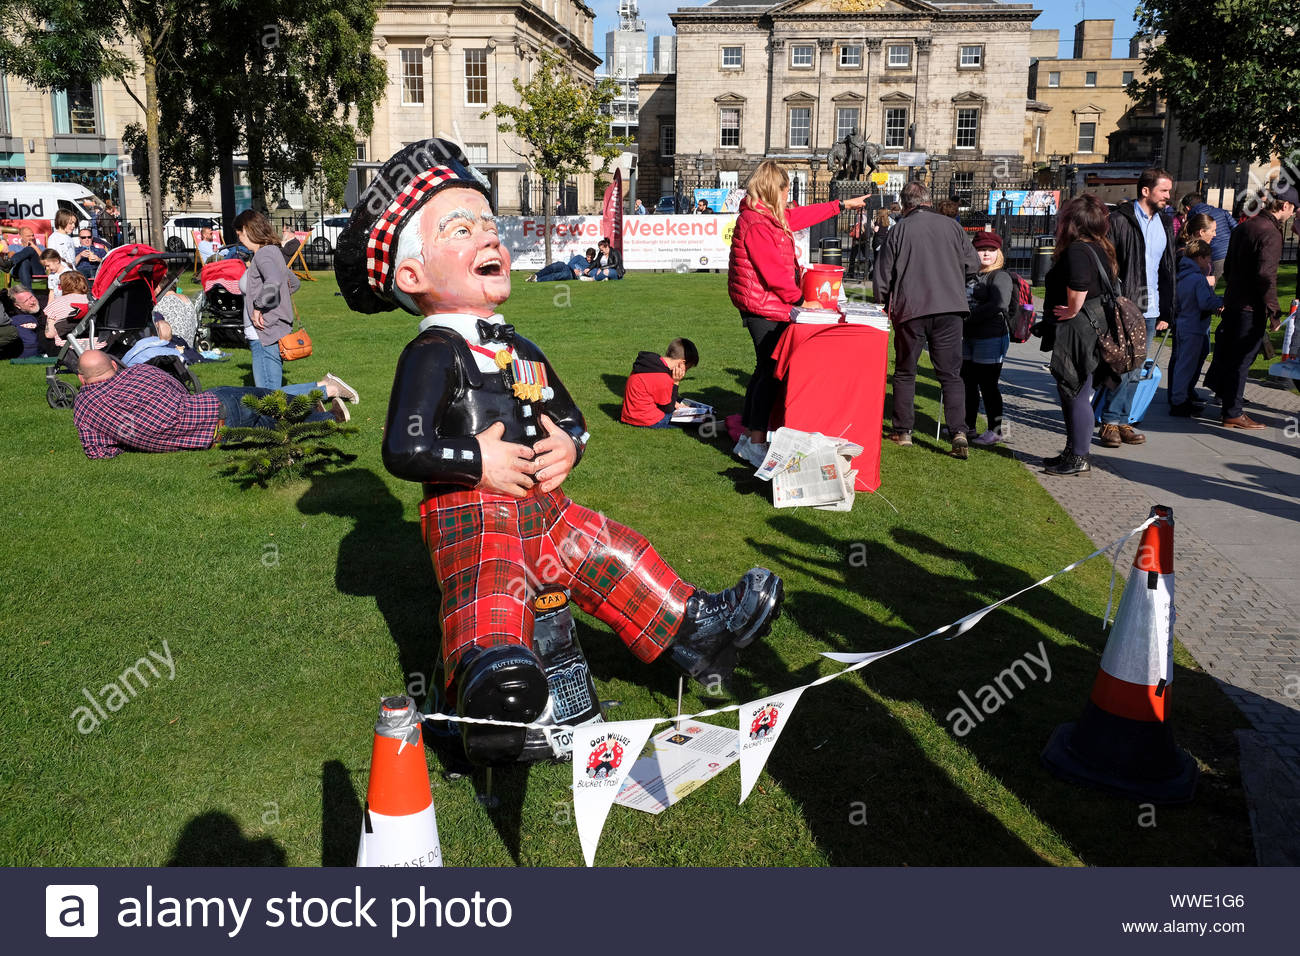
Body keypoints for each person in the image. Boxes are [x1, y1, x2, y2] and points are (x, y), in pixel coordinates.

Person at [335, 139, 785, 766]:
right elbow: (404, 446)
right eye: (461, 229)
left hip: (548, 511)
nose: (489, 239)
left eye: (489, 224)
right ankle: (492, 694)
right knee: (490, 591)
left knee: (616, 553)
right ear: (411, 277)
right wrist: (477, 462)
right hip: (476, 515)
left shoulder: (521, 346)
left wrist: (567, 447)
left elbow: (570, 417)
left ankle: (695, 630)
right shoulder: (433, 352)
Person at [727, 159, 868, 456]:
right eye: (784, 189)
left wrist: (841, 205)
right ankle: (755, 441)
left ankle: (749, 435)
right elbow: (774, 274)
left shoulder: (767, 216)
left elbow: (800, 215)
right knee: (771, 372)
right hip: (764, 308)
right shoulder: (757, 223)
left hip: (767, 305)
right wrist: (802, 300)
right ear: (771, 189)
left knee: (764, 369)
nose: (786, 196)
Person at [71, 349, 348, 459]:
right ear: (112, 364)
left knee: (267, 426)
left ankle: (328, 418)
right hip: (213, 406)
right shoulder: (139, 373)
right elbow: (179, 390)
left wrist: (128, 438)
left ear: (82, 379)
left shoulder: (84, 408)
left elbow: (97, 451)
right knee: (271, 401)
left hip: (214, 437)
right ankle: (318, 401)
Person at [874, 180, 981, 458]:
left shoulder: (899, 230)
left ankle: (903, 431)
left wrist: (880, 302)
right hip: (950, 308)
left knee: (906, 371)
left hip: (912, 309)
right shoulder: (953, 226)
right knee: (950, 375)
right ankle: (959, 431)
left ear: (906, 204)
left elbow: (883, 274)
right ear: (928, 200)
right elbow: (973, 264)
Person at [1203, 182, 1298, 428]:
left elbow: (1232, 267)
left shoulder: (1247, 227)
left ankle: (1227, 403)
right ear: (1285, 205)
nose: (1293, 214)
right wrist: (1274, 312)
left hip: (1235, 301)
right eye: (1293, 209)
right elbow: (1267, 276)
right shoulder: (1270, 232)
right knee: (1242, 360)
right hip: (1250, 307)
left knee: (1231, 355)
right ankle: (1232, 412)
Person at [1039, 195, 1120, 476]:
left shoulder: (1077, 250)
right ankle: (1073, 450)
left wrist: (1072, 309)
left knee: (1075, 391)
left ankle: (1079, 456)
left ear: (1071, 222)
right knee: (1074, 390)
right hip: (1091, 325)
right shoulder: (1099, 247)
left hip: (1079, 329)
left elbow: (1079, 286)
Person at [1097, 167, 1176, 449]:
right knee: (1122, 366)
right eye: (1164, 190)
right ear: (1146, 191)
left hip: (1152, 306)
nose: (1169, 195)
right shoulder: (1119, 220)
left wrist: (1167, 309)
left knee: (1137, 367)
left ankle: (1121, 420)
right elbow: (1108, 264)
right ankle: (1109, 420)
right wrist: (1115, 300)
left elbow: (1167, 268)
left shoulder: (1166, 222)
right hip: (1127, 304)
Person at [234, 209, 302, 390]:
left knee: (268, 394)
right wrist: (276, 303)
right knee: (268, 393)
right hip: (266, 330)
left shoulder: (264, 254)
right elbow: (292, 283)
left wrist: (259, 306)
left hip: (264, 332)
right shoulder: (271, 252)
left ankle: (326, 388)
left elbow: (275, 281)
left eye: (239, 234)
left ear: (248, 230)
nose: (239, 239)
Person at [962, 231, 1014, 445]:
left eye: (991, 250)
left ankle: (997, 430)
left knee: (989, 385)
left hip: (991, 337)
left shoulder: (1000, 276)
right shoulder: (968, 275)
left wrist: (970, 317)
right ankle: (968, 426)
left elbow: (1000, 304)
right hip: (968, 336)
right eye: (981, 249)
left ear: (998, 253)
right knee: (967, 383)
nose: (986, 254)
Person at [1168, 239, 1223, 416]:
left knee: (1182, 365)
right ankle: (1179, 401)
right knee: (1187, 366)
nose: (1209, 263)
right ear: (1199, 258)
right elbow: (1205, 302)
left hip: (1183, 323)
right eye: (1207, 259)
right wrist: (1220, 301)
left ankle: (1179, 398)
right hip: (1194, 326)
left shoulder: (1182, 275)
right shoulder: (1198, 279)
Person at [620, 337, 699, 427]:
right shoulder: (662, 377)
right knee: (695, 420)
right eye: (687, 368)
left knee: (680, 401)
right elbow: (668, 409)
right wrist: (676, 382)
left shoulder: (650, 363)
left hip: (630, 414)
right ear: (682, 363)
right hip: (645, 419)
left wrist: (677, 404)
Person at [1185, 192, 1237, 281]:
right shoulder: (1221, 211)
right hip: (1229, 251)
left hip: (1212, 255)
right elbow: (1236, 229)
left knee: (1209, 285)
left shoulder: (1193, 217)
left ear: (1187, 208)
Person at [43, 272, 92, 347]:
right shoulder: (94, 301)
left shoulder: (56, 304)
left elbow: (50, 334)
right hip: (97, 346)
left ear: (62, 286)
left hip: (68, 348)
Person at [528, 249, 593, 282]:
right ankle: (535, 275)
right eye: (588, 257)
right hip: (566, 266)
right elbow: (570, 263)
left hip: (570, 275)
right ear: (586, 255)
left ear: (594, 256)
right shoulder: (579, 257)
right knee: (553, 266)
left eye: (591, 257)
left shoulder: (592, 266)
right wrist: (574, 269)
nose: (589, 259)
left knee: (556, 276)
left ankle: (537, 280)